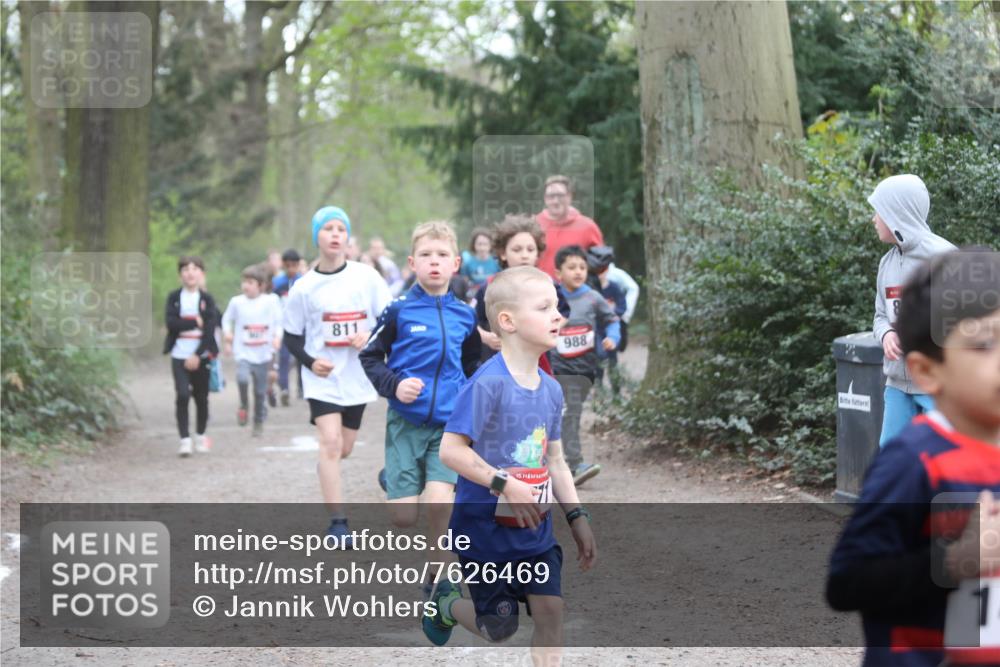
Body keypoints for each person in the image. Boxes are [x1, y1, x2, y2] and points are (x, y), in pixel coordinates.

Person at [826, 249, 1000, 667]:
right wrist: (955, 561)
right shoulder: (913, 461)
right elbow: (847, 582)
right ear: (926, 372)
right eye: (984, 345)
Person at [425, 265, 597, 666]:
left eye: (557, 307)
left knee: (551, 612)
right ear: (507, 321)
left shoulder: (551, 389)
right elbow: (450, 451)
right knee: (498, 629)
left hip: (535, 533)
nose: (558, 316)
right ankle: (446, 604)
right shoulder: (487, 383)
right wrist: (504, 484)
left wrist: (577, 517)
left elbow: (555, 461)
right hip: (484, 534)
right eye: (544, 307)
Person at [360, 221, 481, 595]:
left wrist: (471, 405)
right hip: (406, 423)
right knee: (403, 517)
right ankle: (394, 477)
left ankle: (437, 577)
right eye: (426, 255)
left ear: (455, 263)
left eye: (442, 255)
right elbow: (370, 357)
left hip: (448, 427)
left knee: (440, 504)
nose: (434, 261)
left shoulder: (465, 315)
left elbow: (471, 364)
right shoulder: (398, 311)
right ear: (412, 263)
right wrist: (396, 385)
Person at [283, 206, 392, 544]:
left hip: (358, 377)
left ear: (347, 237)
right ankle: (338, 523)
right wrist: (310, 362)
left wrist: (370, 335)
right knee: (329, 443)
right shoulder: (304, 287)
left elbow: (390, 319)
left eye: (340, 229)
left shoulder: (366, 278)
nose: (334, 234)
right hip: (323, 379)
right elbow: (291, 336)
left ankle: (327, 466)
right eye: (327, 228)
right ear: (316, 236)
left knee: (343, 448)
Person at [870, 174, 955, 447]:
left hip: (938, 386)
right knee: (892, 461)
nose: (873, 219)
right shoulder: (886, 263)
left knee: (943, 460)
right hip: (897, 385)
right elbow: (880, 316)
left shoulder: (945, 258)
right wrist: (886, 334)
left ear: (896, 214)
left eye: (878, 211)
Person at [552, 245, 620, 486]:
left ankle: (551, 463)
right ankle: (575, 463)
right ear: (558, 272)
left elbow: (612, 319)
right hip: (558, 367)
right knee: (570, 412)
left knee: (568, 413)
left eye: (582, 267)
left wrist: (613, 337)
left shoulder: (592, 297)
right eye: (571, 267)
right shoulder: (552, 297)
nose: (578, 271)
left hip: (586, 369)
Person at [473, 215, 569, 374]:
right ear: (503, 253)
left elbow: (564, 312)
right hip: (499, 364)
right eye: (517, 250)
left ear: (537, 253)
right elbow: (470, 321)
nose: (524, 255)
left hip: (539, 364)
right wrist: (486, 337)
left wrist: (545, 329)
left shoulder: (548, 285)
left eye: (530, 249)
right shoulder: (489, 287)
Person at [163, 256, 220, 457]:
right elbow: (171, 323)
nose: (190, 273)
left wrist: (197, 354)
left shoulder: (207, 299)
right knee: (182, 395)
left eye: (194, 269)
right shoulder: (174, 297)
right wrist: (195, 322)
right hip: (179, 354)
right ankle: (184, 439)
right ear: (180, 274)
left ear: (201, 274)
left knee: (201, 397)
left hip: (201, 355)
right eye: (186, 269)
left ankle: (200, 435)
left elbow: (210, 329)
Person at [222, 264, 283, 437]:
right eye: (244, 282)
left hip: (263, 353)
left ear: (261, 285)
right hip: (243, 351)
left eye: (250, 282)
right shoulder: (237, 302)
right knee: (242, 379)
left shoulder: (271, 301)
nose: (245, 286)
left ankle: (258, 422)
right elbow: (226, 319)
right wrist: (228, 334)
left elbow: (279, 322)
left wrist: (277, 337)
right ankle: (243, 404)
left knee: (259, 391)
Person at [535, 174, 604, 278]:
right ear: (545, 198)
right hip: (539, 286)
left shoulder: (587, 226)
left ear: (569, 196)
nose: (555, 201)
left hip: (576, 287)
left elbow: (602, 264)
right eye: (551, 196)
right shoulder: (534, 225)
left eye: (560, 196)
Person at [585, 246, 628, 390]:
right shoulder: (590, 289)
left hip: (611, 329)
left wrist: (612, 313)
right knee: (598, 360)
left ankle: (616, 391)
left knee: (613, 361)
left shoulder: (614, 288)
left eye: (603, 270)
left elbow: (622, 306)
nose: (600, 274)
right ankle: (599, 389)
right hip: (596, 330)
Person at [272, 249, 305, 406]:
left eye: (294, 265)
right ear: (283, 265)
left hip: (301, 326)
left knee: (302, 357)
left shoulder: (304, 282)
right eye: (288, 265)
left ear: (298, 265)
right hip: (283, 326)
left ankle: (302, 387)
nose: (291, 269)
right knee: (284, 358)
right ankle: (284, 387)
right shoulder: (278, 283)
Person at [460, 227, 501, 296]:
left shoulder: (497, 264)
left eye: (485, 244)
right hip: (474, 297)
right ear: (474, 245)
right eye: (479, 244)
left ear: (491, 245)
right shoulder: (467, 264)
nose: (482, 248)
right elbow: (464, 285)